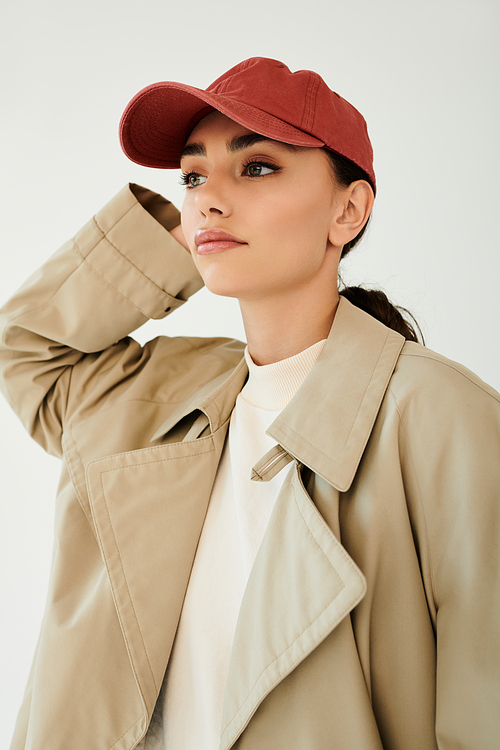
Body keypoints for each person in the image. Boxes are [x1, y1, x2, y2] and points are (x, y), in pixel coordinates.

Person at [0, 57, 499, 750]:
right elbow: (26, 351)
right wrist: (183, 239)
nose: (206, 197)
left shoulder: (444, 419)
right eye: (193, 175)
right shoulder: (152, 399)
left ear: (347, 210)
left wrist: (222, 219)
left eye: (257, 167)